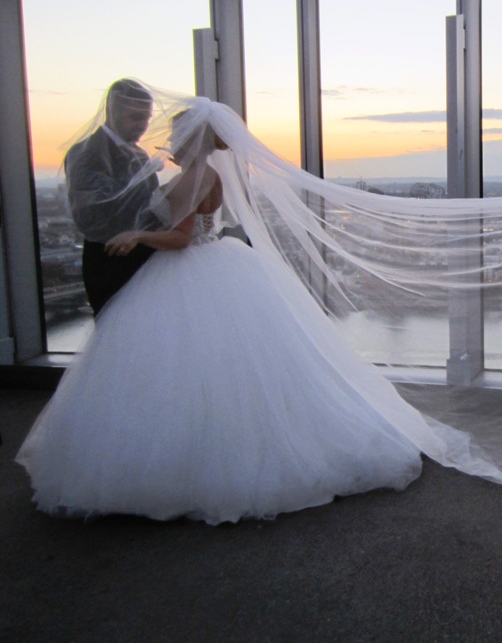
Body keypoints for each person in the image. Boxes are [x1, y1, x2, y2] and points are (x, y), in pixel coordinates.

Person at [17, 99, 427, 524]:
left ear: (192, 139)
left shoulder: (194, 176)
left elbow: (179, 238)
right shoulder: (199, 174)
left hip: (186, 270)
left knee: (182, 371)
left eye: (175, 134)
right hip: (213, 266)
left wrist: (137, 234)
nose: (166, 141)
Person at [64, 79, 160, 315]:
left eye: (147, 118)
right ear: (111, 111)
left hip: (143, 259)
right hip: (110, 263)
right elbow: (90, 214)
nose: (143, 126)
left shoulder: (139, 153)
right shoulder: (84, 153)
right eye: (135, 117)